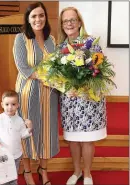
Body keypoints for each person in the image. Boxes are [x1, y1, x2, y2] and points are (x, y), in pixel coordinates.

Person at [58, 7, 107, 185]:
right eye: (65, 21)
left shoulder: (92, 44)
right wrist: (65, 88)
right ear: (62, 25)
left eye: (72, 20)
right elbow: (56, 77)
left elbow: (99, 72)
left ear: (79, 22)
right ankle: (77, 171)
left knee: (87, 139)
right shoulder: (60, 48)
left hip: (88, 99)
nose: (69, 24)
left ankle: (87, 174)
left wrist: (84, 86)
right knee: (72, 139)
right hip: (70, 100)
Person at [13, 2, 59, 185]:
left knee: (46, 131)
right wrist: (47, 78)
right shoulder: (21, 39)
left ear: (45, 17)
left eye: (41, 15)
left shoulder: (52, 40)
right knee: (27, 130)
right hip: (27, 92)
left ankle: (44, 170)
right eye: (33, 16)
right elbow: (23, 67)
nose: (38, 19)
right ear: (28, 19)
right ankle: (27, 171)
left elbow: (55, 66)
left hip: (49, 94)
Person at [0, 90, 33, 185]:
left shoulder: (19, 120)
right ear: (2, 105)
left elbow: (23, 135)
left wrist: (29, 128)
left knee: (13, 175)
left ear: (17, 105)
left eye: (13, 104)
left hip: (16, 154)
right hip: (3, 154)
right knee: (3, 175)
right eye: (7, 104)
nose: (10, 107)